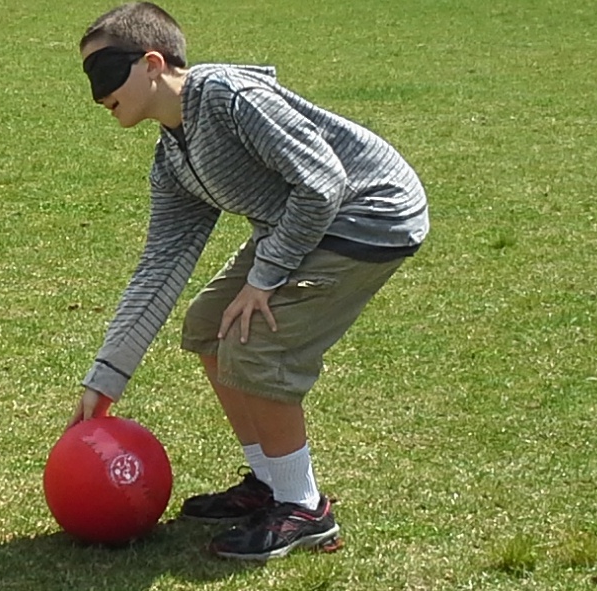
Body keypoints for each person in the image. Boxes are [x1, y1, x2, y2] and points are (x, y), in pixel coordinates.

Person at [71, 2, 429, 561]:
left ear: (152, 63)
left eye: (104, 71)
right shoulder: (173, 160)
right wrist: (107, 377)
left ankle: (305, 510)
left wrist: (263, 280)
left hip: (372, 216)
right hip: (303, 224)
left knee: (252, 339)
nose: (96, 94)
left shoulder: (227, 96)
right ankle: (270, 483)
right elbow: (160, 267)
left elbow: (323, 183)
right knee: (208, 325)